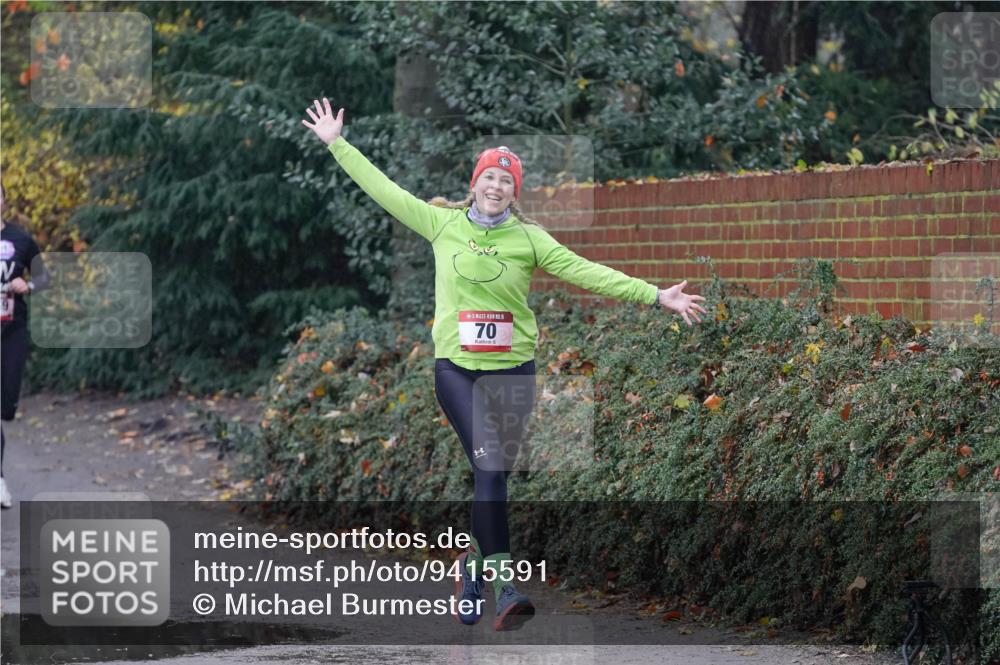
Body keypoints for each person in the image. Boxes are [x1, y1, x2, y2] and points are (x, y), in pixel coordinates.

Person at [302, 98, 707, 630]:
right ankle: (505, 585)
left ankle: (469, 569)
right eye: (489, 177)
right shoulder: (440, 223)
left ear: (515, 193)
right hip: (458, 370)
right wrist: (338, 144)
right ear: (475, 184)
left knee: (492, 475)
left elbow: (588, 272)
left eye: (506, 180)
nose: (496, 186)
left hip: (515, 370)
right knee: (490, 464)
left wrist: (656, 296)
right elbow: (385, 190)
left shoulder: (529, 239)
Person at [1, 182, 49, 509]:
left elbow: (46, 278)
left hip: (12, 332)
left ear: (4, 199)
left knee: (4, 406)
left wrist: (28, 284)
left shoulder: (21, 239)